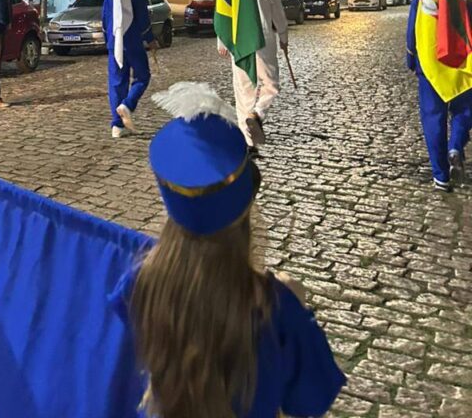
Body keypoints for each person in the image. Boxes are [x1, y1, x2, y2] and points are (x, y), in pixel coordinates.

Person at [111, 88, 345, 418]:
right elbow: (310, 400)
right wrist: (298, 307)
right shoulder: (275, 305)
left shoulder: (138, 285)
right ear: (247, 207)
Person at [220, 0, 288, 153]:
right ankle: (257, 114)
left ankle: (248, 143)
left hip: (239, 43)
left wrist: (222, 41)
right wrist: (284, 39)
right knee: (271, 85)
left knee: (244, 92)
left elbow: (225, 13)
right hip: (263, 43)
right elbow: (280, 19)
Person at [406, 0, 472, 190]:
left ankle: (441, 175)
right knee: (465, 110)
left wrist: (411, 58)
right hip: (461, 63)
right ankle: (455, 146)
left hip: (430, 64)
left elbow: (413, 29)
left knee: (433, 117)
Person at [102, 0, 155, 138]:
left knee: (117, 82)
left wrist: (108, 40)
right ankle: (127, 104)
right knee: (143, 76)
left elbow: (104, 17)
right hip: (133, 42)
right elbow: (143, 19)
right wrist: (150, 39)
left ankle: (117, 126)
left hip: (114, 41)